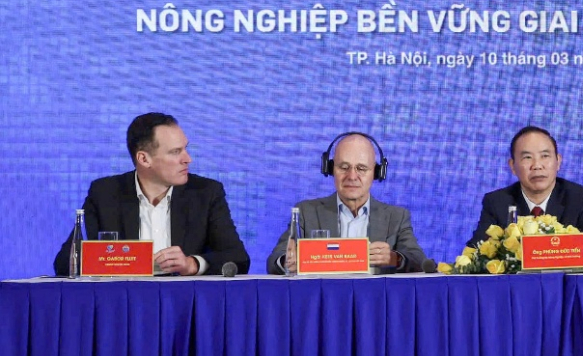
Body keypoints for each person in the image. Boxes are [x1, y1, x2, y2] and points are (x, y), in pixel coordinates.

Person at [54, 113, 249, 276]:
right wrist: (122, 261)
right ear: (144, 159)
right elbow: (66, 263)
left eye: (185, 149)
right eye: (175, 152)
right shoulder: (105, 193)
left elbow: (238, 258)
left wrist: (192, 264)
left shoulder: (206, 192)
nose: (187, 159)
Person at [267, 132, 426, 274]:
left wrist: (394, 259)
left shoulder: (396, 217)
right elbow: (274, 261)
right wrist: (287, 261)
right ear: (330, 169)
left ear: (377, 173)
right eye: (344, 167)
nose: (352, 176)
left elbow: (419, 261)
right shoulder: (306, 212)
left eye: (361, 169)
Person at [466, 126, 583, 247]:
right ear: (512, 166)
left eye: (545, 156)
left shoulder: (579, 198)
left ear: (558, 161)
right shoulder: (497, 202)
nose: (537, 165)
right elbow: (476, 252)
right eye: (527, 157)